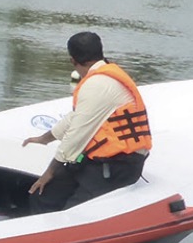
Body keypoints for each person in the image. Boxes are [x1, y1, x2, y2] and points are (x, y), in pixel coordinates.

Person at [22, 31, 152, 212]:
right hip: (95, 160)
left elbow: (76, 134)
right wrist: (45, 138)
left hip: (119, 166)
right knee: (43, 196)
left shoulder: (98, 84)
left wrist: (49, 172)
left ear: (73, 61)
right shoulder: (102, 76)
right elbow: (76, 117)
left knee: (75, 211)